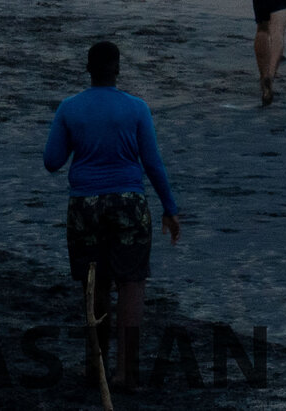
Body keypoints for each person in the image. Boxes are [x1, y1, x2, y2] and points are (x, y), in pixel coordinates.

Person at [42, 41, 182, 392]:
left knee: (95, 283)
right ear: (118, 70)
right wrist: (170, 208)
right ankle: (126, 372)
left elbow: (52, 161)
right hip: (128, 202)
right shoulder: (136, 108)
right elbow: (152, 163)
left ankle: (97, 366)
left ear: (88, 70)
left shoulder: (69, 108)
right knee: (132, 284)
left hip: (85, 205)